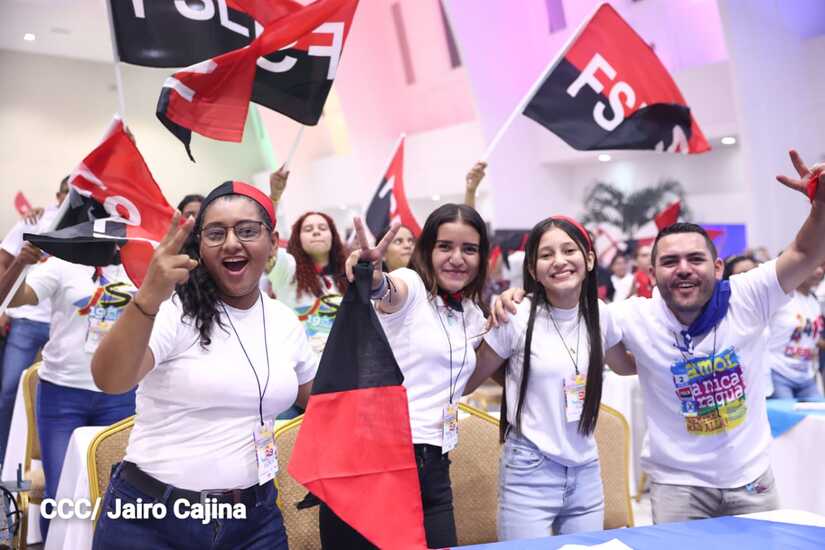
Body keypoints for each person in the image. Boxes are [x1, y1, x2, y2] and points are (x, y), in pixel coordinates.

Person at [495, 149, 825, 523]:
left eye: (695, 259)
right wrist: (521, 298)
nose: (683, 269)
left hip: (751, 482)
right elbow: (565, 311)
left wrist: (820, 206)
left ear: (717, 267)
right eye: (669, 262)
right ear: (652, 273)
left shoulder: (748, 296)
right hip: (678, 489)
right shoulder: (631, 316)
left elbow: (804, 252)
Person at [90, 181, 316, 549]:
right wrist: (147, 298)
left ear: (273, 243)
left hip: (253, 520)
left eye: (247, 230)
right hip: (153, 520)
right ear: (200, 245)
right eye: (216, 233)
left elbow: (320, 399)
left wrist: (371, 304)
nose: (231, 243)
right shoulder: (173, 310)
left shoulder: (284, 321)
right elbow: (110, 380)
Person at [327, 204, 490, 549]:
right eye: (445, 246)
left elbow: (463, 378)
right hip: (383, 460)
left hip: (435, 462)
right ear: (427, 250)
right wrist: (372, 277)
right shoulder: (413, 286)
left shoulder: (470, 313)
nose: (457, 258)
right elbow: (387, 290)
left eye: (469, 249)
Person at [464, 216, 633, 539]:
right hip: (529, 471)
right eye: (546, 255)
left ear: (589, 259)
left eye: (569, 250)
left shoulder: (600, 314)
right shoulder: (516, 316)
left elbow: (625, 365)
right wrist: (473, 325)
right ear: (532, 269)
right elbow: (468, 381)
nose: (559, 261)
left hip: (585, 471)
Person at [0, 247, 137, 539]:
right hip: (62, 395)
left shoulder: (138, 264)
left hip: (119, 393)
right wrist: (21, 263)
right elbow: (12, 298)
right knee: (61, 493)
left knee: (113, 493)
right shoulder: (61, 264)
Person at [0, 176, 68, 459]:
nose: (71, 199)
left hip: (64, 324)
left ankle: (38, 459)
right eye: (67, 193)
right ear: (58, 195)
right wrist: (3, 310)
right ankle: (3, 460)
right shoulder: (35, 221)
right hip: (26, 320)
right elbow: (4, 260)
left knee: (55, 398)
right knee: (9, 390)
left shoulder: (88, 229)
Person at [266, 170, 347, 356]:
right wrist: (274, 197)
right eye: (308, 229)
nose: (316, 232)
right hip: (306, 367)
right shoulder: (288, 270)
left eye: (322, 228)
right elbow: (264, 239)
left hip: (347, 364)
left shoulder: (348, 276)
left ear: (333, 236)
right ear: (298, 239)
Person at [766, 264, 824, 399]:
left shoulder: (814, 301)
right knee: (786, 412)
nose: (819, 271)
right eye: (815, 265)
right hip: (778, 373)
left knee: (819, 412)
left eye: (823, 266)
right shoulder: (780, 297)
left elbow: (809, 335)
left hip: (806, 376)